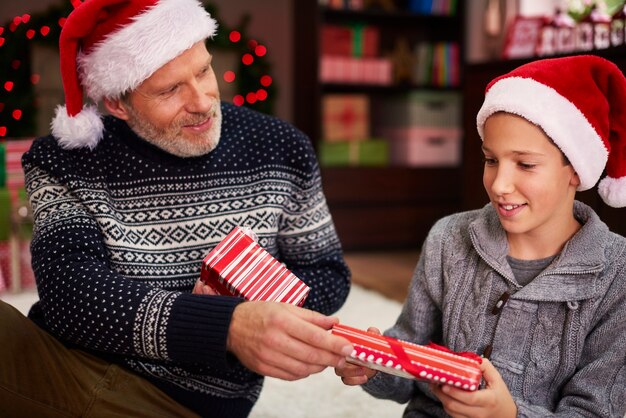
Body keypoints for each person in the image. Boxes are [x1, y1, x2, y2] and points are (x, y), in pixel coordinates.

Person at [0, 0, 353, 417]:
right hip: (66, 366)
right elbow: (69, 293)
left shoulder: (281, 147)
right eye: (170, 89)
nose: (202, 101)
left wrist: (247, 296)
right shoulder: (65, 160)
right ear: (116, 103)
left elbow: (329, 273)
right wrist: (225, 325)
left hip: (180, 400)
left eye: (203, 71)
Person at [335, 55, 626, 417]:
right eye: (491, 160)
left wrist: (507, 415)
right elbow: (408, 359)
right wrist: (374, 366)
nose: (500, 185)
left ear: (575, 170)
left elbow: (596, 411)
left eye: (526, 164)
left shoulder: (617, 275)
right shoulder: (448, 238)